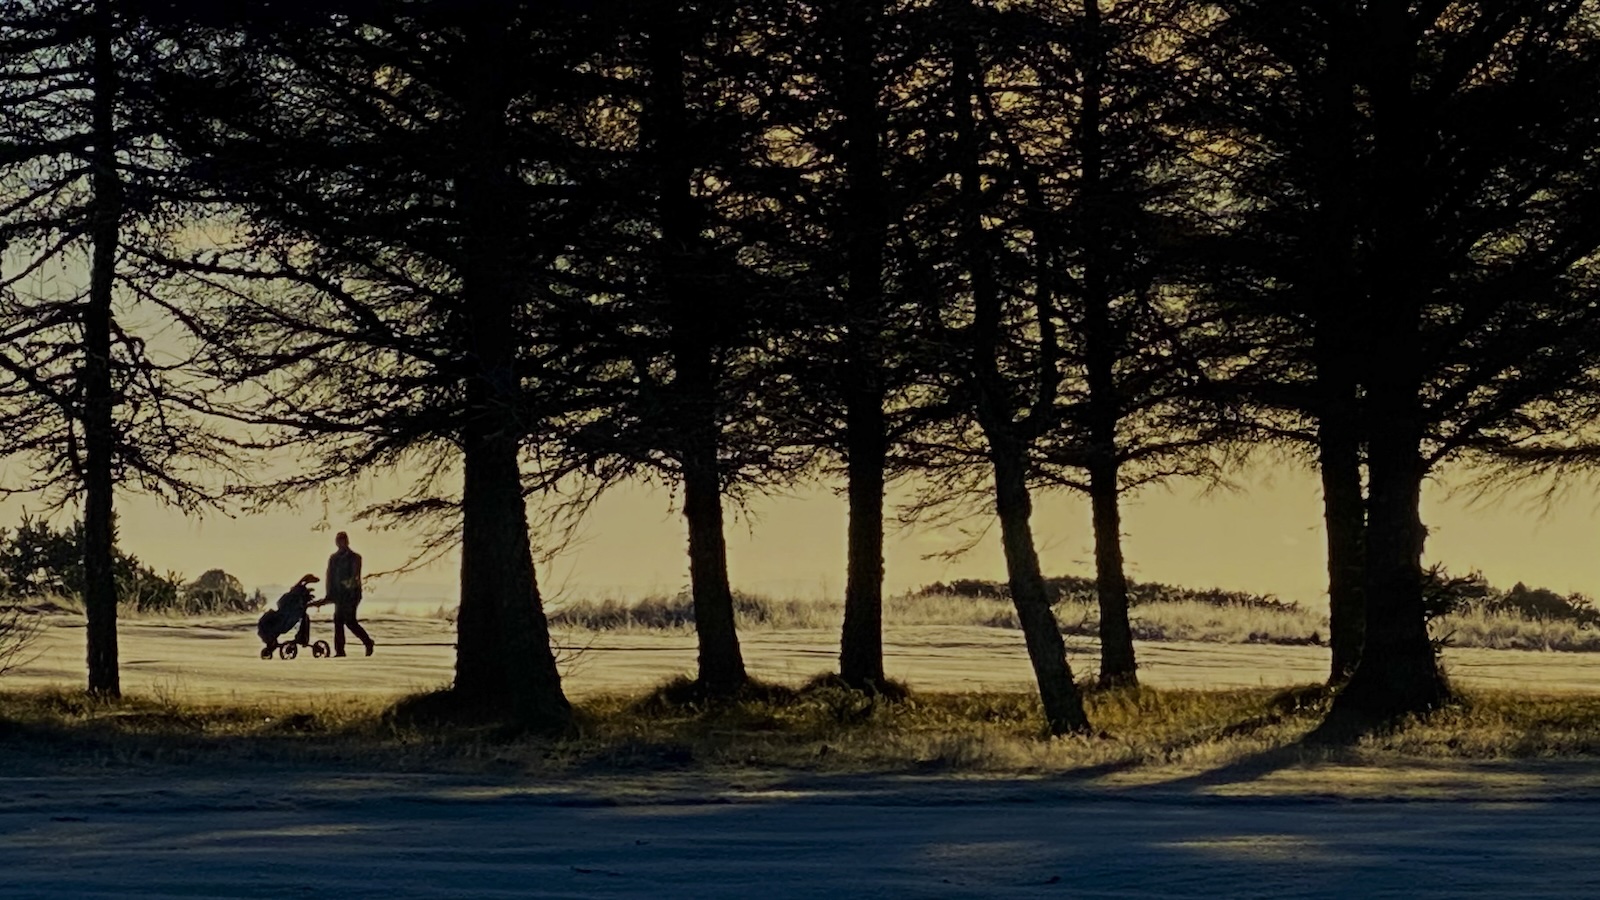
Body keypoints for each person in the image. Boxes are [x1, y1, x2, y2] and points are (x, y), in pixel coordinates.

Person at [326, 531, 374, 657]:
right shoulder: (333, 558)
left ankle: (368, 642)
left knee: (350, 621)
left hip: (351, 594)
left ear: (347, 541)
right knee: (338, 621)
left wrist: (348, 590)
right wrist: (330, 593)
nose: (340, 543)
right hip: (338, 595)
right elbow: (329, 577)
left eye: (342, 540)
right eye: (338, 540)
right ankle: (340, 650)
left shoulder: (355, 557)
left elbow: (355, 576)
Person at [257, 574, 324, 659]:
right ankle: (302, 638)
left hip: (282, 618)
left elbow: (281, 603)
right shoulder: (294, 601)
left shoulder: (291, 598)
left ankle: (301, 637)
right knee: (302, 617)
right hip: (284, 619)